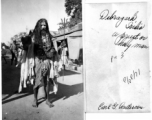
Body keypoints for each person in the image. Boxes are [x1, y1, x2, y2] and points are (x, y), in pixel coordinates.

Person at [21, 18, 59, 108]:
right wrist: (26, 43)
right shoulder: (34, 35)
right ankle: (35, 99)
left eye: (44, 25)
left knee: (47, 81)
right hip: (37, 60)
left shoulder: (49, 36)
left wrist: (52, 52)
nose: (43, 27)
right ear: (38, 25)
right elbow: (28, 47)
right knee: (36, 81)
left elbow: (53, 47)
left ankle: (47, 100)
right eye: (41, 25)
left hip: (47, 61)